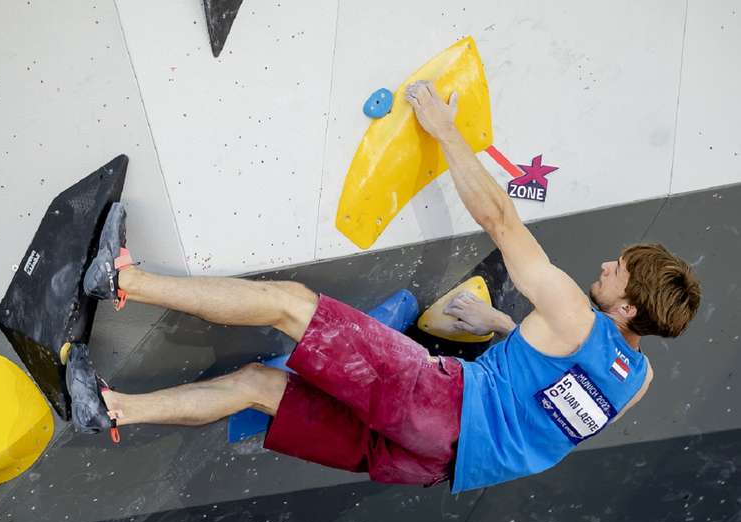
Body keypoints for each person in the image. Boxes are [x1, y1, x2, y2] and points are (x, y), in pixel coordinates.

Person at [66, 80, 701, 492]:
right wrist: (510, 332)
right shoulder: (635, 380)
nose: (611, 264)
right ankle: (113, 408)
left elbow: (500, 219)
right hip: (434, 466)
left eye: (621, 268)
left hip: (439, 407)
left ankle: (121, 278)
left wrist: (443, 127)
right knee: (261, 389)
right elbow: (550, 404)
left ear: (627, 304)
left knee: (291, 307)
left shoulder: (571, 311)